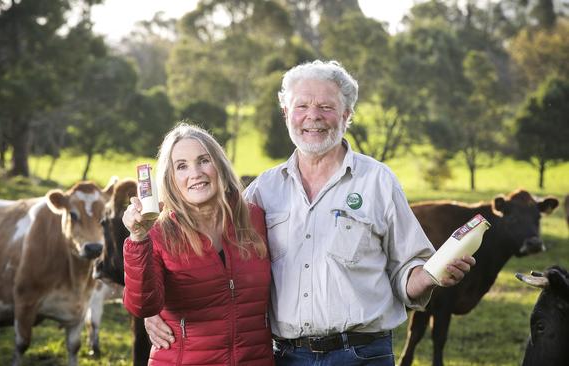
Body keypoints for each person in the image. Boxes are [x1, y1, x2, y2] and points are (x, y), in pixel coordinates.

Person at [144, 61, 475, 365]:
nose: (312, 116)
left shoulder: (378, 181)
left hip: (362, 354)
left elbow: (408, 270)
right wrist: (156, 310)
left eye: (326, 107)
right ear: (286, 112)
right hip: (288, 356)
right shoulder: (263, 191)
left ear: (347, 115)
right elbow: (217, 265)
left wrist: (432, 275)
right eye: (302, 106)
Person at [121, 123, 273, 365]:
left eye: (203, 160)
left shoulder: (256, 219)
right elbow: (143, 305)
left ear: (220, 166)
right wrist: (137, 238)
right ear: (170, 179)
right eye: (182, 166)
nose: (195, 173)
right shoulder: (158, 232)